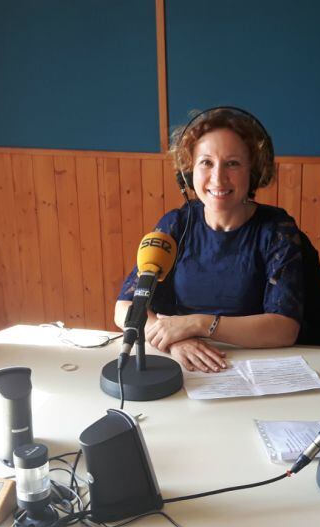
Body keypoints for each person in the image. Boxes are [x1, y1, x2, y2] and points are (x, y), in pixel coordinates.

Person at [115, 107, 305, 372]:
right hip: (185, 363)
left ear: (253, 171)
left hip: (250, 366)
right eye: (206, 162)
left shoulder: (276, 229)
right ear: (188, 171)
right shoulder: (175, 224)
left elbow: (284, 329)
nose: (218, 177)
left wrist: (199, 323)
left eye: (233, 163)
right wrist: (172, 340)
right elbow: (125, 306)